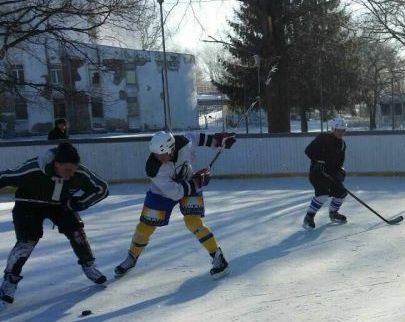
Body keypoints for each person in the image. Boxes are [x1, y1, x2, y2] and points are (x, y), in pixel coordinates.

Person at [113, 130, 236, 279]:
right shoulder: (154, 168)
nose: (159, 157)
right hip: (162, 192)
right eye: (156, 154)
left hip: (189, 184)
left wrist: (217, 141)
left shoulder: (184, 142)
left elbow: (197, 137)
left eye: (162, 154)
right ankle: (132, 257)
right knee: (145, 227)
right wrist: (197, 182)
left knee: (193, 222)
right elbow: (176, 193)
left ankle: (218, 258)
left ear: (172, 148)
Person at [0, 142, 109, 305]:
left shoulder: (79, 173)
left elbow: (102, 188)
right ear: (56, 164)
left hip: (61, 205)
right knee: (27, 242)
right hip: (29, 205)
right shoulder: (32, 169)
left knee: (77, 232)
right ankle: (10, 281)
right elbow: (3, 177)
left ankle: (89, 266)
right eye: (67, 170)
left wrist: (79, 203)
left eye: (74, 169)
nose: (72, 174)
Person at [302, 117, 348, 230]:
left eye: (343, 130)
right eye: (339, 130)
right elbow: (308, 150)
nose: (341, 132)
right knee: (322, 195)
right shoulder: (323, 138)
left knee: (341, 194)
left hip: (331, 174)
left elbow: (339, 161)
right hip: (318, 173)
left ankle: (333, 213)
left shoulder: (342, 144)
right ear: (333, 129)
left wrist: (340, 170)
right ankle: (308, 217)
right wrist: (319, 161)